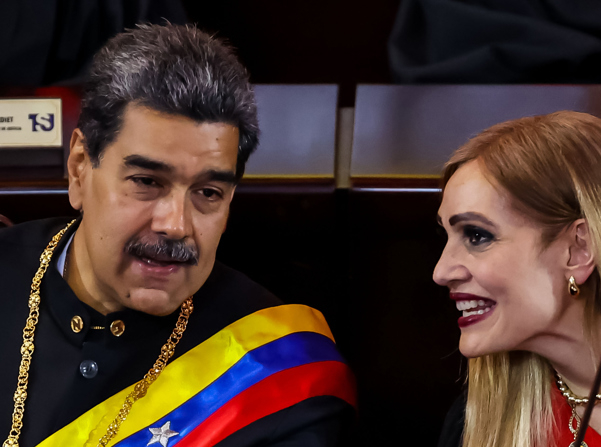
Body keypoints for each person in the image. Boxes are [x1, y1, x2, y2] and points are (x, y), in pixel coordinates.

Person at [0, 24, 355, 447]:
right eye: (147, 182)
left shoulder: (280, 376)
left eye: (208, 193)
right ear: (79, 167)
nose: (176, 225)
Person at [432, 111, 601, 447]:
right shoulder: (474, 426)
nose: (441, 272)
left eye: (477, 235)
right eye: (446, 236)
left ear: (578, 250)